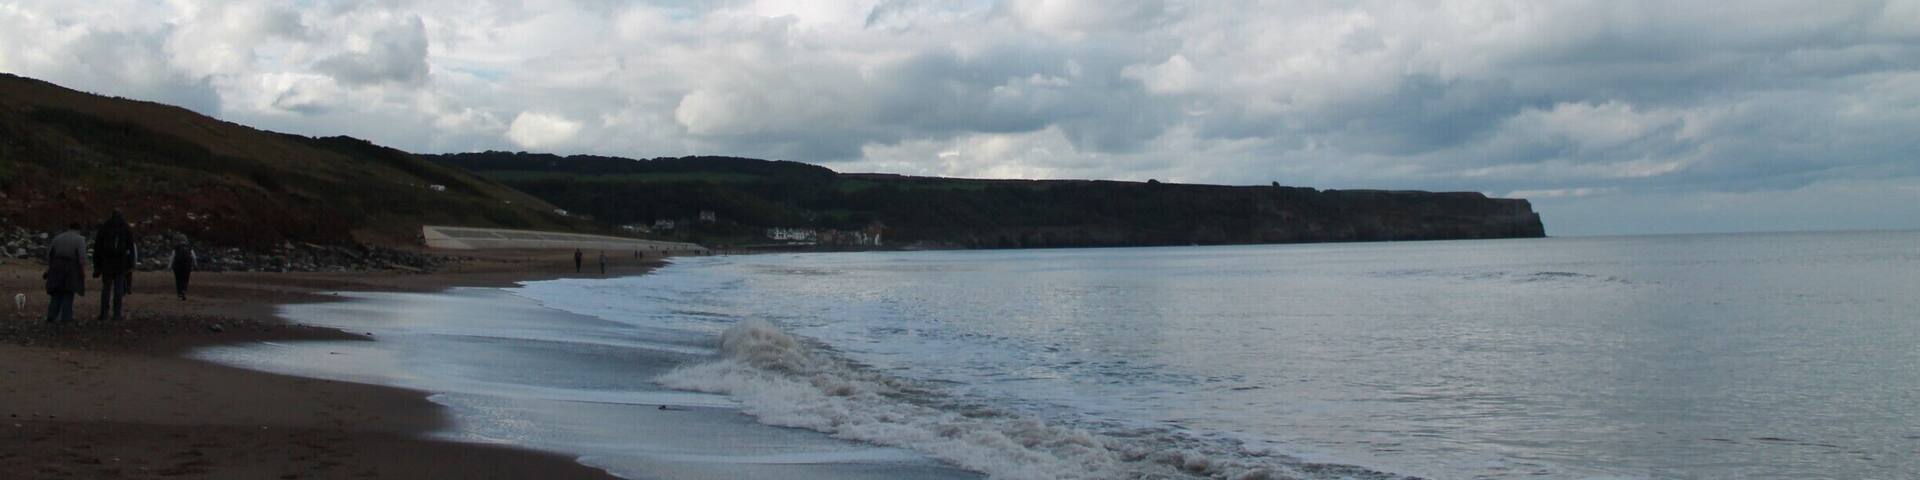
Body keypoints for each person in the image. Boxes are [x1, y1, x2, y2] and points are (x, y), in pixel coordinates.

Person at [92, 210, 136, 322]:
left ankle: (104, 314)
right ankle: (117, 314)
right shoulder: (125, 228)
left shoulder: (104, 228)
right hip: (121, 263)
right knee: (119, 290)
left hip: (107, 263)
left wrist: (97, 265)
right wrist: (130, 264)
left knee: (106, 289)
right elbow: (131, 247)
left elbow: (97, 248)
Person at [42, 223, 86, 324]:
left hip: (56, 265)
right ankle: (66, 317)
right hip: (71, 267)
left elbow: (49, 254)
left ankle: (51, 315)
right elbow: (82, 257)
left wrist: (50, 267)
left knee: (56, 291)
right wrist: (82, 271)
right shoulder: (80, 239)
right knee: (68, 292)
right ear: (78, 229)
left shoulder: (57, 238)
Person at [168, 235, 196, 300]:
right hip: (187, 266)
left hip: (177, 266)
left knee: (178, 280)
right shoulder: (189, 247)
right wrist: (195, 265)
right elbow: (194, 257)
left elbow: (172, 257)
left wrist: (169, 266)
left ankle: (179, 293)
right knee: (185, 279)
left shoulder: (176, 247)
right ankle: (184, 291)